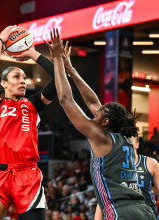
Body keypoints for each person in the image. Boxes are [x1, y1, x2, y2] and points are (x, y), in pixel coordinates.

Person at [44, 28, 156, 219]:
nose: (93, 114)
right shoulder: (125, 138)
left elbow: (65, 99)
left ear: (105, 122)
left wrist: (57, 61)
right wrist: (71, 70)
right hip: (144, 210)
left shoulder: (100, 137)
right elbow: (93, 102)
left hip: (119, 210)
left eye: (97, 115)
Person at [0, 25, 57, 220]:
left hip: (28, 175)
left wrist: (32, 53)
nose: (23, 81)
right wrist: (0, 40)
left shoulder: (33, 104)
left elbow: (60, 79)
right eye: (16, 77)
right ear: (3, 84)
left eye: (24, 77)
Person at [131, 136, 159, 218]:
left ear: (137, 145)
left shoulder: (150, 163)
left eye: (130, 141)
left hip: (148, 215)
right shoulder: (114, 166)